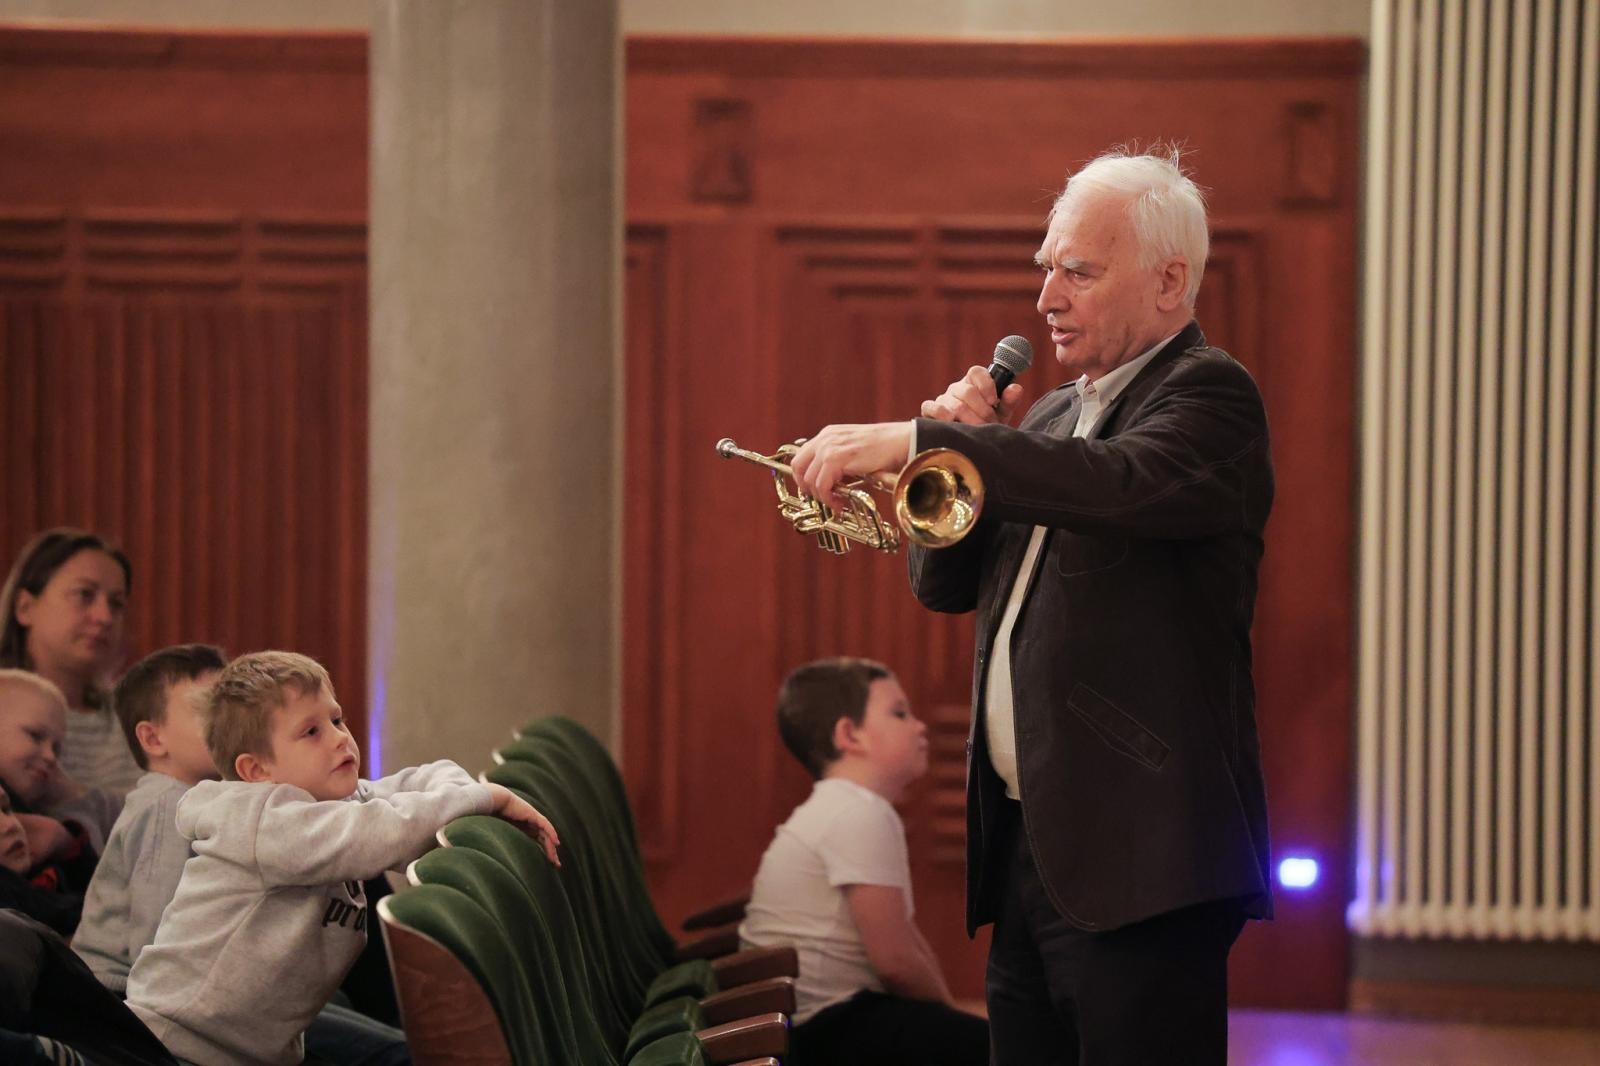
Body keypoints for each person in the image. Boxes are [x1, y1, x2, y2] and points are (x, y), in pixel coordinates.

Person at [789, 146, 1275, 1065]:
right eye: (1045, 268)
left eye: (1078, 272)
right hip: (1029, 852)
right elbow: (947, 588)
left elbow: (1117, 482)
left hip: (1144, 861)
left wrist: (927, 436)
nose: (1047, 297)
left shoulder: (1212, 398)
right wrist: (948, 462)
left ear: (1171, 281)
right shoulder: (1049, 419)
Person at [124, 650, 561, 1066]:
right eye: (311, 731)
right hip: (173, 1047)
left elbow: (423, 778)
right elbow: (382, 832)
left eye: (337, 719)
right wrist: (488, 799)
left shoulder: (332, 802)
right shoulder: (267, 825)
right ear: (256, 771)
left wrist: (469, 796)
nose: (339, 738)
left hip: (255, 1051)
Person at [739, 657, 988, 1066]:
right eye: (899, 713)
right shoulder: (857, 812)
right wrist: (948, 1014)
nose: (919, 725)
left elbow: (905, 942)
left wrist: (950, 1015)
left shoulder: (845, 806)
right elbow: (897, 965)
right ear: (849, 734)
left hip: (810, 1020)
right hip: (824, 1030)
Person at [73, 643, 227, 995]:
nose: (232, 722)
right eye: (210, 710)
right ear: (153, 738)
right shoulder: (166, 805)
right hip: (126, 995)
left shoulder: (200, 799)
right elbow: (156, 935)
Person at [0, 529, 142, 818]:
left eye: (116, 604)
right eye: (84, 595)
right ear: (25, 607)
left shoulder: (138, 716)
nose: (104, 617)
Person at [0, 669, 99, 935]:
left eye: (57, 748)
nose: (50, 757)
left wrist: (67, 842)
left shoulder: (44, 816)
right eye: (35, 736)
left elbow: (100, 886)